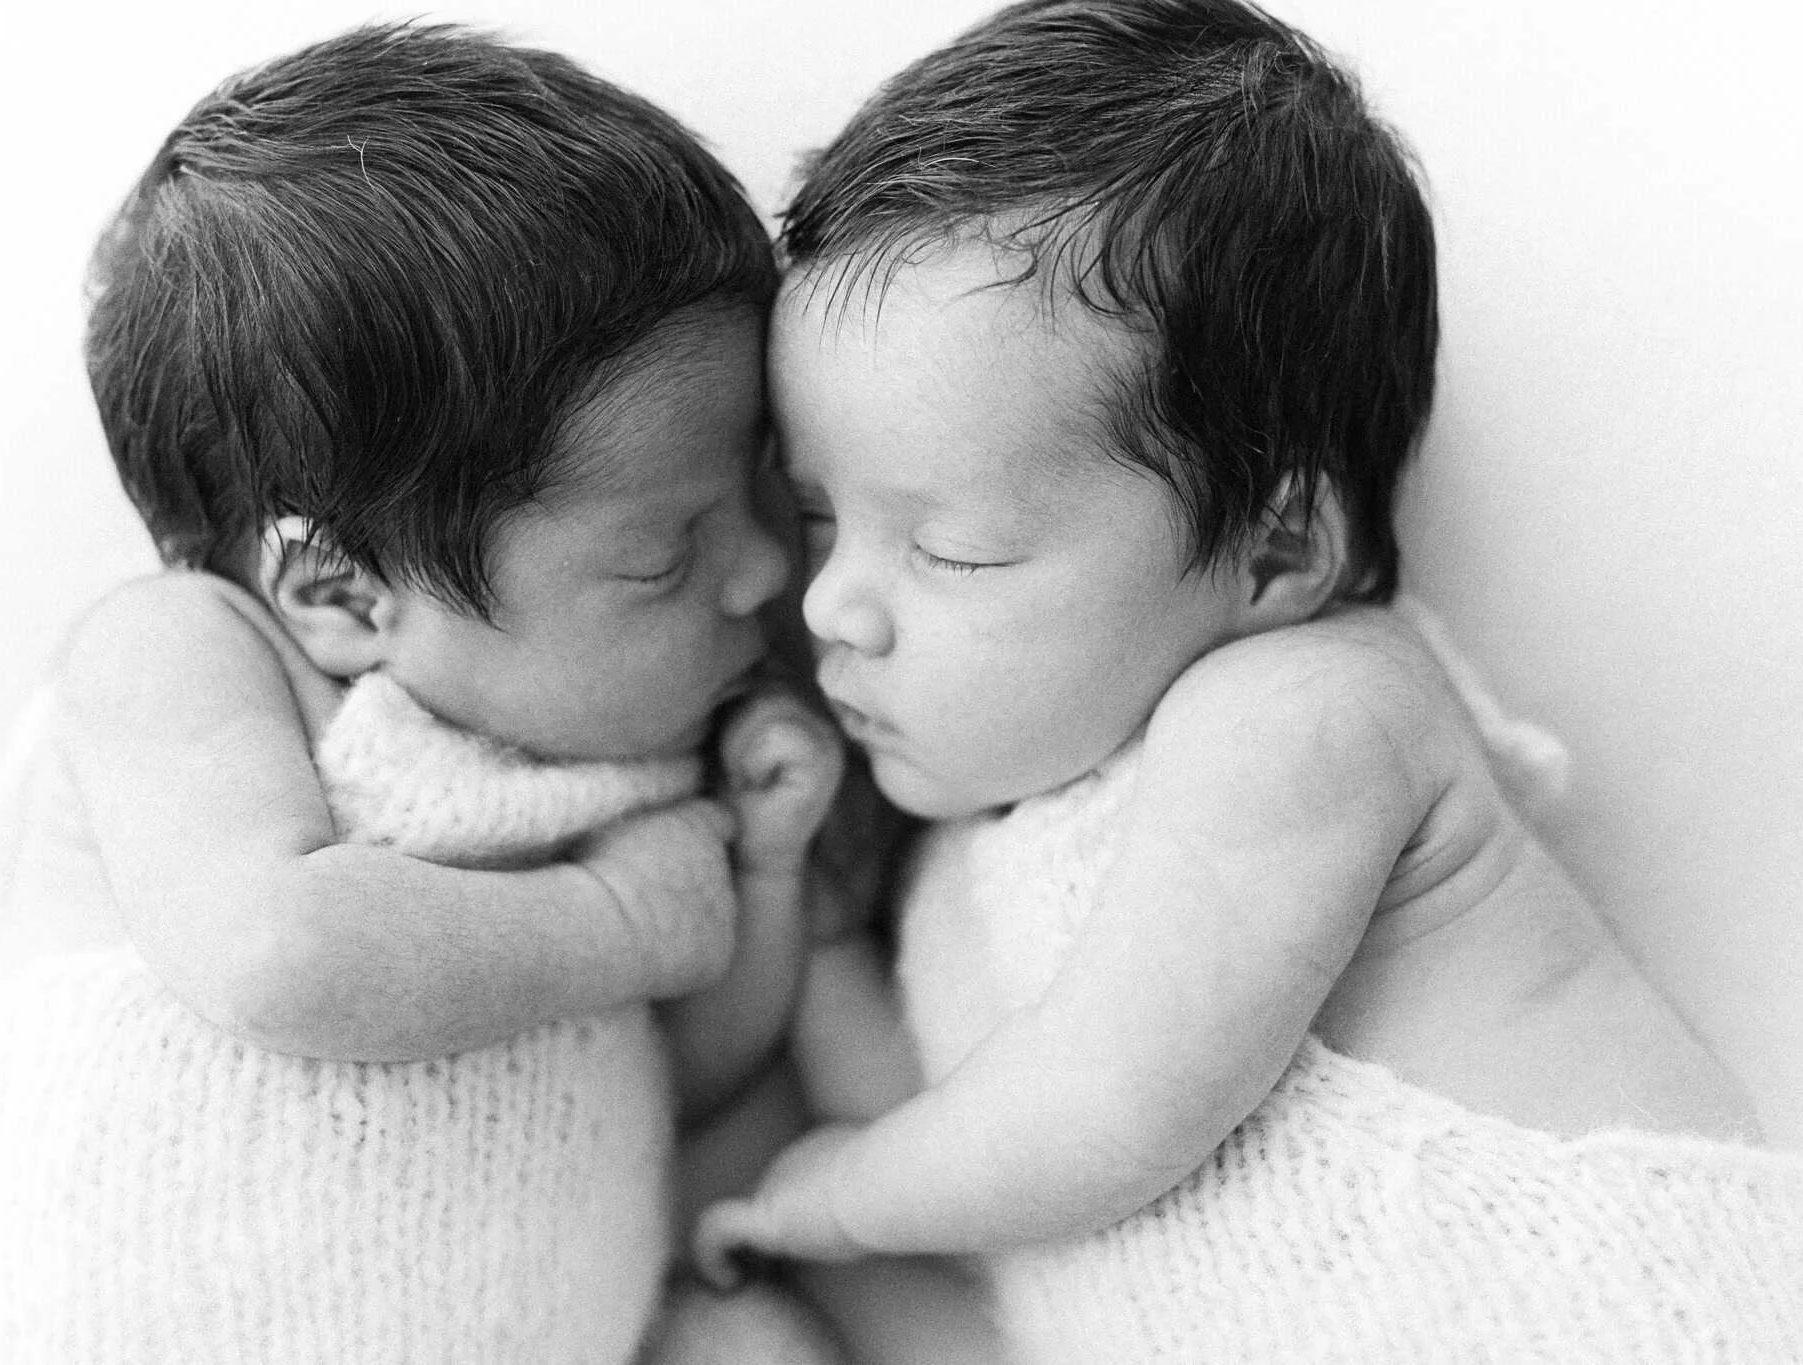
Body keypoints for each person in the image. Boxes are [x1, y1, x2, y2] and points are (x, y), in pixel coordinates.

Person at [694, 1, 1803, 1358]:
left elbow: (1094, 1115)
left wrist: (832, 1197)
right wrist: (803, 922)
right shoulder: (956, 867)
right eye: (815, 516)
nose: (830, 605)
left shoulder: (1307, 712)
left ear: (1278, 549)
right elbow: (961, 1141)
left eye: (952, 550)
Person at [0, 22, 852, 1363]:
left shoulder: (628, 760)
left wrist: (757, 887)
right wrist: (621, 918)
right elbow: (276, 955)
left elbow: (663, 1088)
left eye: (762, 482)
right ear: (338, 595)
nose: (763, 568)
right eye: (664, 552)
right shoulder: (187, 663)